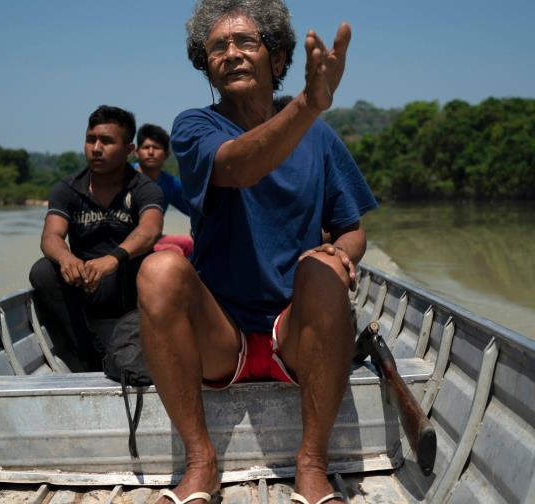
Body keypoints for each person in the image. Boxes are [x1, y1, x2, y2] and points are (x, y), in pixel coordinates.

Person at [136, 1, 376, 503]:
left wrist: (342, 254)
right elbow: (237, 167)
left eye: (246, 42)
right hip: (220, 334)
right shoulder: (195, 126)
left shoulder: (321, 138)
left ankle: (311, 465)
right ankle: (201, 464)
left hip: (296, 330)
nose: (231, 54)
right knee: (159, 270)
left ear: (279, 57)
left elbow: (351, 229)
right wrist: (308, 103)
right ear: (206, 66)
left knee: (322, 264)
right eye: (218, 47)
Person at [29, 105, 163, 371]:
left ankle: (139, 342)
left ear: (129, 150)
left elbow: (150, 230)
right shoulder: (67, 189)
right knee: (43, 270)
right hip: (86, 287)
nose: (96, 148)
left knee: (159, 265)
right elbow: (51, 236)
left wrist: (113, 259)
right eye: (91, 140)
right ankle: (87, 356)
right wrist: (66, 258)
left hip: (129, 290)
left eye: (107, 141)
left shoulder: (144, 189)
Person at [134, 124, 195, 256]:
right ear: (136, 153)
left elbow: (195, 207)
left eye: (156, 148)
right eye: (145, 147)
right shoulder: (125, 176)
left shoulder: (170, 183)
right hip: (125, 239)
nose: (150, 152)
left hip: (153, 238)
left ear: (166, 154)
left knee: (189, 244)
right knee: (174, 251)